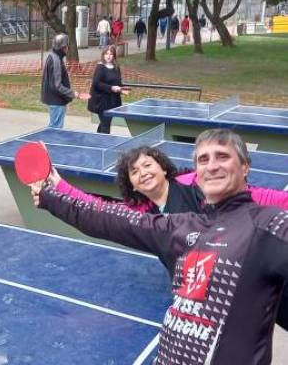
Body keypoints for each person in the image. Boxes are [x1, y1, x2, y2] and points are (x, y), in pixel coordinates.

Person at [32, 129, 288, 364]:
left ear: (245, 167)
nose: (211, 167)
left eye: (222, 157)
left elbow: (271, 200)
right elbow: (104, 214)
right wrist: (52, 193)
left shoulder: (266, 226)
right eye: (203, 160)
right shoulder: (172, 226)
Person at [40, 33, 80, 129]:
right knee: (55, 129)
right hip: (56, 101)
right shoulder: (56, 60)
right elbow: (57, 86)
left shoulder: (53, 56)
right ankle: (48, 143)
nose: (67, 48)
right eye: (66, 46)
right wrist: (72, 93)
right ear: (63, 47)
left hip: (54, 100)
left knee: (54, 127)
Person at [87, 46, 123, 134]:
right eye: (106, 54)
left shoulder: (116, 68)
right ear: (103, 55)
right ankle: (104, 144)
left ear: (114, 56)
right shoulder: (100, 67)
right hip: (101, 102)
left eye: (111, 54)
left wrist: (122, 89)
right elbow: (97, 83)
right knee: (106, 125)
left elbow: (118, 82)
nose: (108, 56)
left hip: (112, 102)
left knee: (105, 123)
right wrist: (111, 88)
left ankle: (98, 141)